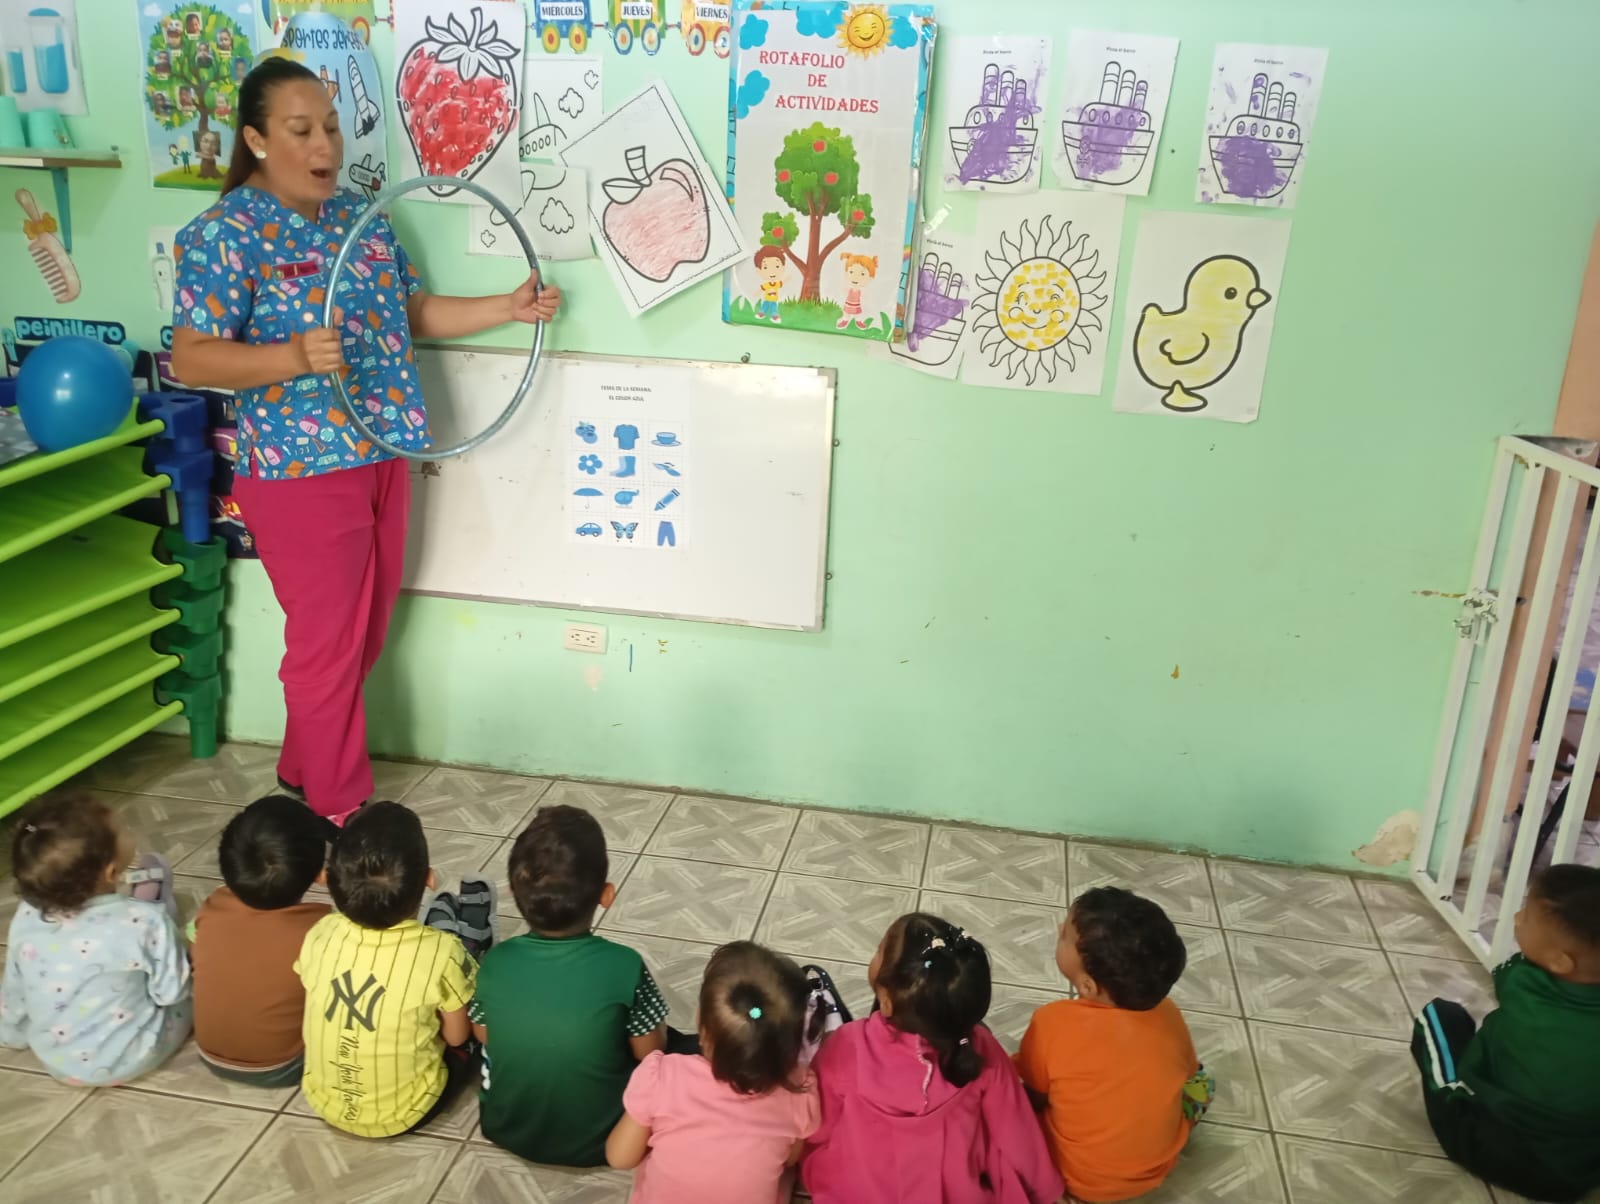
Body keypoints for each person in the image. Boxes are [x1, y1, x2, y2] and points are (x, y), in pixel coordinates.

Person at [168, 58, 563, 823]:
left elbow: (410, 313)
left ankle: (301, 767)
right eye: (301, 130)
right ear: (255, 139)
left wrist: (508, 308)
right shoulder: (223, 234)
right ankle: (342, 813)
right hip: (300, 471)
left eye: (331, 127)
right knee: (327, 646)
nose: (325, 145)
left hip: (383, 450)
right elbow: (193, 358)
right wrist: (289, 357)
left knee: (362, 636)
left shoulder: (360, 215)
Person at [802, 913, 1063, 1204]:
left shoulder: (846, 1044)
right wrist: (1045, 1190)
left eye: (879, 951)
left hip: (861, 1191)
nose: (875, 956)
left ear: (886, 1001)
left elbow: (817, 1124)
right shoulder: (982, 1048)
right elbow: (1015, 1128)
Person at [472, 805, 672, 1166]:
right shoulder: (624, 964)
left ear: (515, 894)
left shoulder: (495, 962)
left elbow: (484, 1034)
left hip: (504, 1127)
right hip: (604, 1140)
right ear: (606, 895)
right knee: (686, 1048)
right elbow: (650, 1052)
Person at [295, 801, 493, 1137]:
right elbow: (456, 1037)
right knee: (472, 1035)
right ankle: (470, 941)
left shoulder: (320, 933)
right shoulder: (440, 953)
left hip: (324, 1102)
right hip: (409, 1110)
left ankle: (448, 926)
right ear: (428, 879)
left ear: (329, 880)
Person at [1412, 864, 1600, 1203]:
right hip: (1580, 1171)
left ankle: (1461, 1099)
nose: (1516, 917)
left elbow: (1504, 974)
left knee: (1440, 1018)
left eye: (1526, 915)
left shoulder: (1524, 982)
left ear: (1561, 962)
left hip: (1494, 1147)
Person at [1014, 887, 1213, 1203]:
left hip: (1076, 1176)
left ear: (1088, 986)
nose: (1059, 928)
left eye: (1065, 936)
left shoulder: (1052, 1023)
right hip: (1154, 1169)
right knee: (1204, 1082)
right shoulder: (1168, 1011)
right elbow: (1189, 1072)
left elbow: (1036, 1095)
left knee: (1005, 1103)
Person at [606, 941, 820, 1204]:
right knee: (785, 1176)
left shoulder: (662, 1075)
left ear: (703, 1031)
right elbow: (790, 1158)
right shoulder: (800, 1088)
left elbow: (620, 1158)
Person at [0, 796, 191, 1085]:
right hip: (134, 1056)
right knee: (191, 990)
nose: (128, 830)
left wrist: (11, 1034)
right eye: (123, 829)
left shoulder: (27, 917)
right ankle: (153, 904)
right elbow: (171, 993)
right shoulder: (146, 922)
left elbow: (15, 989)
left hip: (59, 1063)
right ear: (111, 872)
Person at [191, 794, 332, 1087]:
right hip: (284, 1066)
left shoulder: (213, 905)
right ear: (320, 875)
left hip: (208, 1054)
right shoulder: (321, 929)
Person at [836, 252, 877, 330]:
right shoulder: (849, 288)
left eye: (862, 274)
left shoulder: (861, 290)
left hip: (856, 304)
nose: (856, 277)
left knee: (857, 313)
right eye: (851, 272)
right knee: (846, 312)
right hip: (849, 303)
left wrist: (867, 297)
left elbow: (865, 296)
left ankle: (858, 321)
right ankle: (845, 320)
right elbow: (843, 290)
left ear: (870, 276)